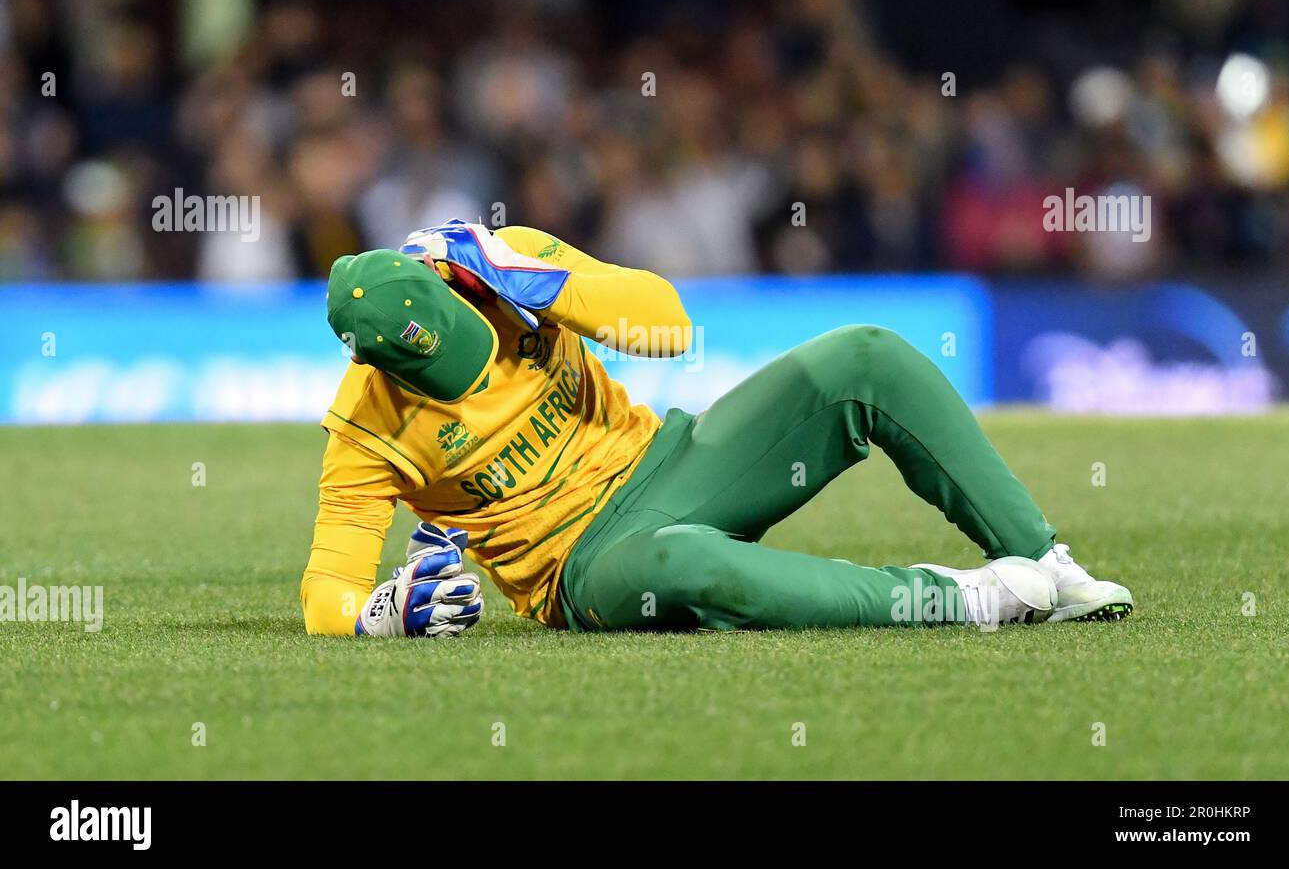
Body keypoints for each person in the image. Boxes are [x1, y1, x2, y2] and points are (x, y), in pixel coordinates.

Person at [301, 219, 1133, 637]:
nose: (468, 371)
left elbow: (666, 325)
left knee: (864, 356)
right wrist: (379, 612)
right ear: (380, 365)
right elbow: (323, 592)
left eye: (467, 344)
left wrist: (540, 281)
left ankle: (1048, 564)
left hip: (673, 460)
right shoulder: (366, 423)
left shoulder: (503, 261)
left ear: (450, 289)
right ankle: (962, 601)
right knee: (682, 560)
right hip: (586, 569)